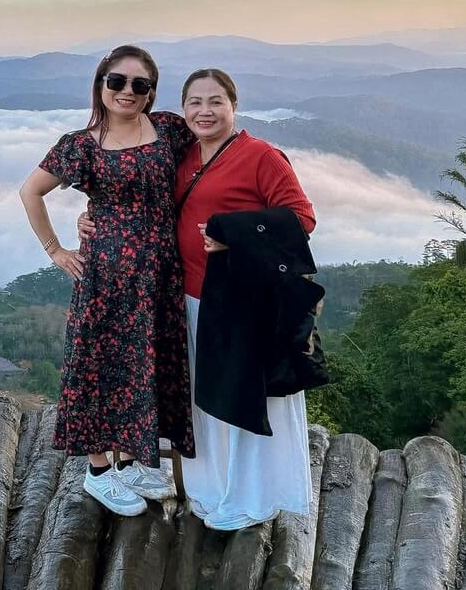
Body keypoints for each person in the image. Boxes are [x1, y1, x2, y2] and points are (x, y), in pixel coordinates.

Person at [78, 67, 316, 529]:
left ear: (234, 106)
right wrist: (91, 217)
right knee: (204, 402)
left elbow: (301, 219)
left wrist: (232, 235)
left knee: (246, 402)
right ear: (182, 108)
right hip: (186, 298)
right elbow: (137, 196)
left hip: (243, 302)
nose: (205, 111)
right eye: (195, 102)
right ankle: (208, 490)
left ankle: (250, 498)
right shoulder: (184, 154)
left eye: (216, 102)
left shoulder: (260, 156)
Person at [19, 45, 195, 516]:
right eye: (117, 81)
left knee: (140, 366)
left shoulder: (169, 130)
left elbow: (208, 162)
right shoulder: (81, 145)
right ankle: (98, 472)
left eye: (139, 84)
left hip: (159, 278)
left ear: (151, 91)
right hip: (105, 279)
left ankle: (130, 462)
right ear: (101, 84)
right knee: (99, 366)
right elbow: (30, 191)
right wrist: (56, 250)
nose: (127, 91)